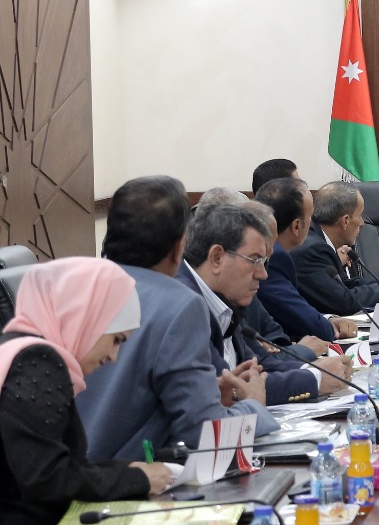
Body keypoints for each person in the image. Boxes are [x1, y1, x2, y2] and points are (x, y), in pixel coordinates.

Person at [79, 177, 278, 463]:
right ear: (179, 246)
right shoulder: (180, 304)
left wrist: (207, 394)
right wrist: (254, 406)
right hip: (123, 480)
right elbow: (209, 436)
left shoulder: (76, 287)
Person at [0, 258, 173, 525]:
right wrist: (136, 479)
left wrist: (123, 470)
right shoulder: (37, 360)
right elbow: (48, 479)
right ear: (84, 318)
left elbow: (56, 463)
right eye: (116, 340)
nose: (114, 357)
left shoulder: (19, 350)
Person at [179, 202, 352, 406]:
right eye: (255, 261)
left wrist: (319, 370)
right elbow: (229, 388)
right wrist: (317, 379)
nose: (263, 274)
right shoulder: (183, 306)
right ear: (217, 258)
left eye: (264, 262)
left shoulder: (221, 298)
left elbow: (258, 365)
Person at [254, 178, 358, 344]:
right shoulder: (274, 258)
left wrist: (328, 319)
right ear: (296, 226)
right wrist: (328, 327)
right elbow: (298, 315)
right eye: (310, 217)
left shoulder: (278, 254)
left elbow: (295, 309)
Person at [291, 181, 379, 315]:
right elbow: (343, 302)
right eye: (359, 215)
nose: (362, 223)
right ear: (345, 221)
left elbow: (344, 285)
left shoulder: (318, 238)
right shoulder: (313, 249)